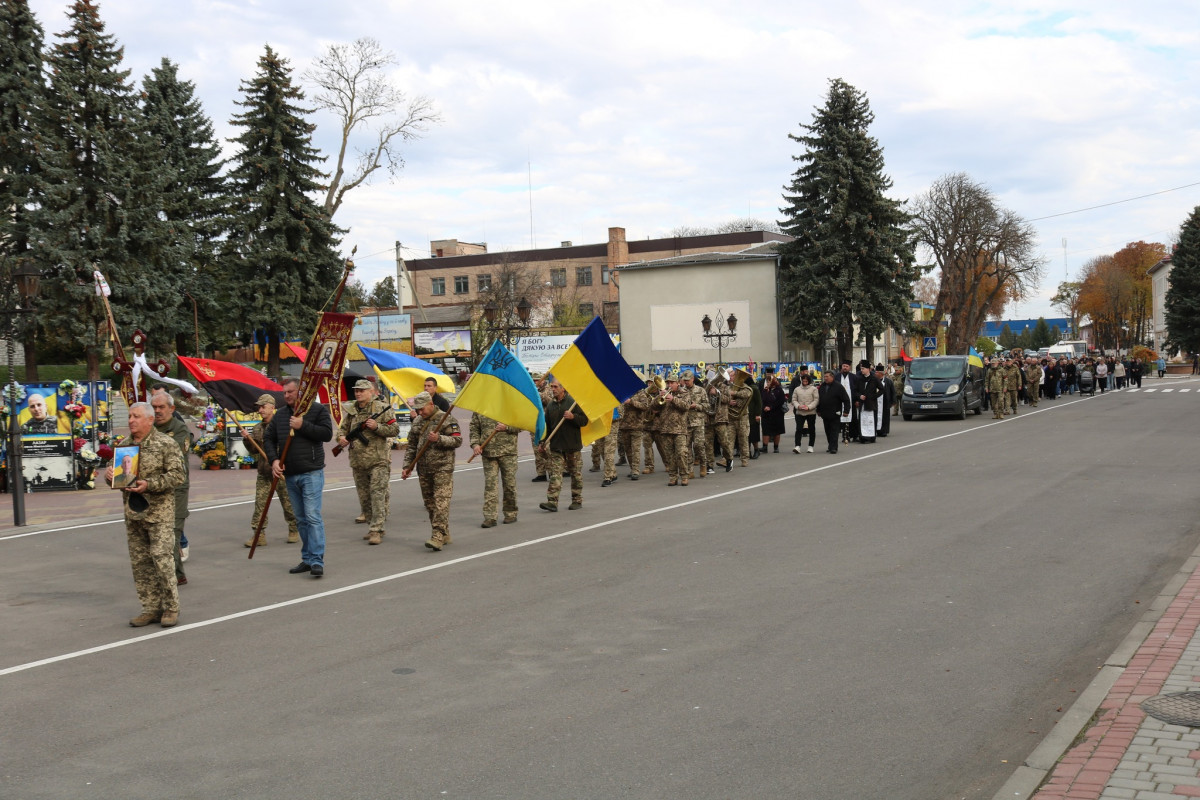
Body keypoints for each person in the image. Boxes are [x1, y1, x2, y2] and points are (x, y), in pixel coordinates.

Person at [106, 402, 186, 628]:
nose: (131, 420)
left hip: (159, 514)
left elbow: (177, 476)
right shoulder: (124, 445)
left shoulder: (165, 443)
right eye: (130, 416)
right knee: (140, 564)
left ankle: (171, 607)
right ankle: (150, 608)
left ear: (149, 420)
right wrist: (110, 474)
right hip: (134, 514)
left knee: (162, 560)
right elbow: (116, 475)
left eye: (136, 416)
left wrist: (149, 484)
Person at [265, 377, 333, 578]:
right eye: (284, 392)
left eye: (290, 392)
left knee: (312, 516)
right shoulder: (280, 416)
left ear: (300, 392)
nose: (286, 396)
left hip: (311, 471)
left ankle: (317, 560)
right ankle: (307, 558)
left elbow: (326, 434)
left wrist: (303, 425)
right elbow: (269, 438)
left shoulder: (317, 410)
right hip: (291, 474)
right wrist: (274, 460)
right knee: (301, 519)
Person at [337, 379, 399, 545]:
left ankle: (376, 530)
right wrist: (341, 438)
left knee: (377, 494)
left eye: (361, 390)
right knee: (364, 498)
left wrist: (377, 427)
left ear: (371, 392)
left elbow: (394, 429)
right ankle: (374, 524)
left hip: (378, 460)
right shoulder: (351, 411)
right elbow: (342, 430)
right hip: (358, 461)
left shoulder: (381, 408)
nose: (358, 393)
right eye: (356, 391)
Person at [401, 391, 462, 550]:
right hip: (424, 469)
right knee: (430, 504)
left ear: (430, 404)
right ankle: (444, 531)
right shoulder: (418, 421)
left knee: (441, 502)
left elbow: (457, 440)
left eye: (422, 409)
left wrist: (439, 439)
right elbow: (412, 446)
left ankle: (437, 536)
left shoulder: (446, 419)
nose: (420, 412)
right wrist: (407, 466)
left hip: (443, 467)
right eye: (418, 409)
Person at [244, 393, 299, 547]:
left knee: (287, 503)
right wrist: (247, 440)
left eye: (263, 407)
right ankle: (258, 534)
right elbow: (254, 451)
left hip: (281, 472)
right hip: (264, 472)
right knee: (260, 505)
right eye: (259, 407)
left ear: (272, 408)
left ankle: (294, 529)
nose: (260, 410)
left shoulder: (281, 425)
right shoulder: (257, 428)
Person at [150, 390, 191, 585]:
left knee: (173, 532)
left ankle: (174, 575)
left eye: (161, 407)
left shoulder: (180, 429)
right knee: (157, 533)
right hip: (153, 488)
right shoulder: (148, 428)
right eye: (154, 407)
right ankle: (173, 573)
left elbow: (168, 457)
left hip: (176, 488)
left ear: (172, 409)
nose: (157, 411)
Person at [539, 376, 589, 511]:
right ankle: (552, 501)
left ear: (563, 388)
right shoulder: (551, 405)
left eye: (556, 387)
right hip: (556, 446)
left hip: (572, 445)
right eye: (552, 387)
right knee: (555, 474)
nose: (553, 389)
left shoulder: (573, 403)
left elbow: (584, 421)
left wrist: (573, 417)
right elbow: (547, 427)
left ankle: (577, 500)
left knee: (575, 474)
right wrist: (542, 442)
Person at [470, 411, 519, 527]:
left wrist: (507, 427)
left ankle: (510, 512)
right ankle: (490, 517)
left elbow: (522, 426)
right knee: (490, 485)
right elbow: (474, 428)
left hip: (508, 452)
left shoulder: (509, 405)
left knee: (509, 485)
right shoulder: (481, 407)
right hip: (488, 452)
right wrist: (475, 444)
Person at [652, 372, 691, 486]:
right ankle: (673, 477)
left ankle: (684, 476)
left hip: (679, 429)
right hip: (665, 429)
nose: (669, 385)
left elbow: (686, 407)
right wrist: (659, 397)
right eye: (668, 382)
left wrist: (673, 399)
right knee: (669, 455)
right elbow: (653, 407)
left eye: (672, 382)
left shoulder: (684, 393)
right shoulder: (663, 393)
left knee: (681, 453)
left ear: (678, 383)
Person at [679, 370, 709, 477]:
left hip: (698, 422)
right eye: (684, 380)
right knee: (686, 448)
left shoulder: (701, 390)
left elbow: (707, 406)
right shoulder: (681, 391)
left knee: (699, 445)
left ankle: (703, 464)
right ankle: (690, 469)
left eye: (688, 380)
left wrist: (696, 406)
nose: (686, 382)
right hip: (685, 422)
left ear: (692, 379)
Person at [619, 381, 651, 480]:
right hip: (624, 425)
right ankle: (632, 468)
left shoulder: (640, 393)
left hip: (636, 425)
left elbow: (645, 406)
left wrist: (631, 401)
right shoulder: (622, 392)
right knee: (628, 449)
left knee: (635, 449)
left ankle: (635, 471)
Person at [816, 372, 851, 454]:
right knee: (827, 431)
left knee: (834, 431)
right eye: (824, 376)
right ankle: (830, 445)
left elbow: (846, 399)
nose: (825, 378)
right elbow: (819, 399)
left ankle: (834, 447)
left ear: (832, 377)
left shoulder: (838, 387)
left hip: (835, 413)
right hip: (825, 413)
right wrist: (818, 410)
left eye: (827, 376)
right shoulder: (822, 387)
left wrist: (846, 411)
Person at [727, 374, 753, 466]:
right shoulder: (728, 387)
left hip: (742, 417)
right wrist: (728, 401)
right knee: (729, 439)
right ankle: (728, 460)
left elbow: (748, 393)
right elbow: (722, 397)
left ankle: (745, 459)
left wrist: (734, 394)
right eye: (730, 376)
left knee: (743, 439)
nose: (730, 378)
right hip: (731, 417)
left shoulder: (744, 387)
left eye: (732, 376)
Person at [530, 373, 551, 482]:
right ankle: (541, 473)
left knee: (547, 450)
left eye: (538, 380)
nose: (536, 382)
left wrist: (537, 393)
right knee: (536, 449)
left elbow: (549, 401)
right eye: (534, 380)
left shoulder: (549, 389)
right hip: (535, 423)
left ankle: (552, 472)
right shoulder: (532, 389)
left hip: (547, 424)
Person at [759, 370, 787, 454]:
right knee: (766, 430)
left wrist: (771, 407)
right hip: (766, 413)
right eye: (767, 382)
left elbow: (781, 401)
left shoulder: (779, 390)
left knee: (777, 431)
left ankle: (776, 447)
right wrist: (764, 407)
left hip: (777, 413)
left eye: (769, 382)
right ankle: (765, 447)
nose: (767, 383)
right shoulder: (765, 390)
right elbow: (762, 400)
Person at [790, 373, 818, 453]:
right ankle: (797, 446)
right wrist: (798, 406)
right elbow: (794, 399)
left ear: (809, 381)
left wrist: (809, 407)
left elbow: (816, 400)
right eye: (803, 381)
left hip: (810, 412)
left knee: (811, 429)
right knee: (799, 429)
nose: (805, 382)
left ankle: (810, 446)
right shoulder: (797, 389)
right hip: (800, 412)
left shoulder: (813, 389)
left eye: (806, 381)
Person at [855, 363, 883, 443]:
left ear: (868, 369)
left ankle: (871, 437)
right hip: (862, 403)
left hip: (871, 403)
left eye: (863, 368)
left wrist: (874, 396)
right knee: (862, 420)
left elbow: (882, 389)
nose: (862, 370)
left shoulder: (874, 379)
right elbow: (855, 391)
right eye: (861, 369)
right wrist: (859, 396)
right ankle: (863, 437)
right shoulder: (859, 379)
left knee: (871, 419)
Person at [876, 364, 894, 437]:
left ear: (881, 373)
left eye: (876, 372)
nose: (875, 373)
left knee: (885, 417)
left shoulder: (888, 381)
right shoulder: (874, 381)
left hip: (885, 402)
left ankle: (884, 431)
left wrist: (893, 401)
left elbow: (893, 391)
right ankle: (876, 430)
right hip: (876, 402)